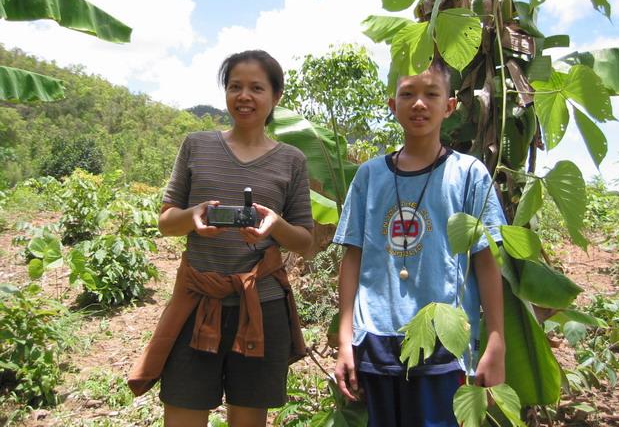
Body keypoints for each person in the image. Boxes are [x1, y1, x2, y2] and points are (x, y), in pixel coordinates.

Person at [128, 50, 314, 427]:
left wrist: (274, 224)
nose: (244, 96)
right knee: (182, 413)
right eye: (235, 86)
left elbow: (305, 242)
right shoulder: (196, 145)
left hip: (260, 307)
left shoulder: (291, 160)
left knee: (248, 419)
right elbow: (166, 221)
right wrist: (193, 217)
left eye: (256, 88)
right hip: (197, 302)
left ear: (276, 96)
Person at [333, 57, 506, 427]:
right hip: (377, 337)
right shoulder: (369, 175)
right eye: (407, 94)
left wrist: (496, 340)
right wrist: (345, 339)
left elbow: (486, 261)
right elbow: (352, 257)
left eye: (431, 93)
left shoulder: (469, 175)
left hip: (444, 340)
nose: (419, 103)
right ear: (392, 105)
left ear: (450, 106)